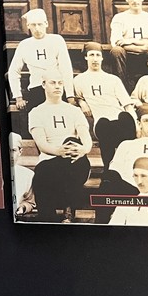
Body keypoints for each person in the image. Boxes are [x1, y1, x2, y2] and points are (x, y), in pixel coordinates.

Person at [27, 71, 92, 222]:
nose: (57, 86)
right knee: (43, 171)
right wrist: (58, 151)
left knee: (71, 140)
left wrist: (84, 149)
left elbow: (86, 139)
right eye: (53, 82)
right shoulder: (36, 112)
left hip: (76, 161)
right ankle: (55, 215)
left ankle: (68, 209)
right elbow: (42, 144)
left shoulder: (74, 110)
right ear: (44, 84)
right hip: (50, 161)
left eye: (60, 83)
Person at [72, 42, 137, 168]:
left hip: (119, 119)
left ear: (102, 58)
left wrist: (136, 123)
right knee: (104, 125)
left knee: (125, 118)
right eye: (91, 55)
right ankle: (109, 169)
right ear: (86, 57)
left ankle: (128, 166)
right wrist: (81, 102)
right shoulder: (79, 80)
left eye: (98, 55)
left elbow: (127, 104)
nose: (95, 59)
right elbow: (75, 99)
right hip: (100, 122)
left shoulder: (113, 79)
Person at [7, 8, 75, 113]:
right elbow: (13, 71)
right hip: (36, 90)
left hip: (57, 89)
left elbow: (66, 68)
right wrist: (18, 97)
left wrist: (70, 95)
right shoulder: (24, 45)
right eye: (33, 25)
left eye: (40, 24)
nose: (37, 28)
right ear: (28, 26)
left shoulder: (57, 40)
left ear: (46, 24)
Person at [109, 0, 148, 89]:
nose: (134, 0)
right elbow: (115, 41)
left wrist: (131, 41)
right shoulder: (119, 18)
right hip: (127, 55)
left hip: (146, 54)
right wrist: (139, 47)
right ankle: (122, 89)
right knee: (116, 51)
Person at [9, 132, 36, 217]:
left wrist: (23, 207)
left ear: (20, 152)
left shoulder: (28, 175)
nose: (9, 154)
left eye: (13, 150)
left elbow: (30, 202)